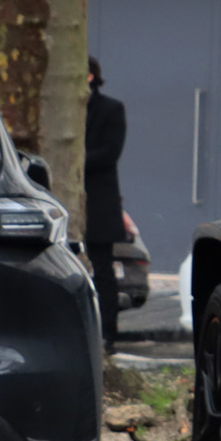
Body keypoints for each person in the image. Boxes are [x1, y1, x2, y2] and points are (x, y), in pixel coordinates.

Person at [85, 57, 127, 348]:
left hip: (99, 203)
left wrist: (71, 162)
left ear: (89, 77)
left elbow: (110, 153)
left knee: (103, 270)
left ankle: (108, 335)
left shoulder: (112, 109)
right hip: (62, 200)